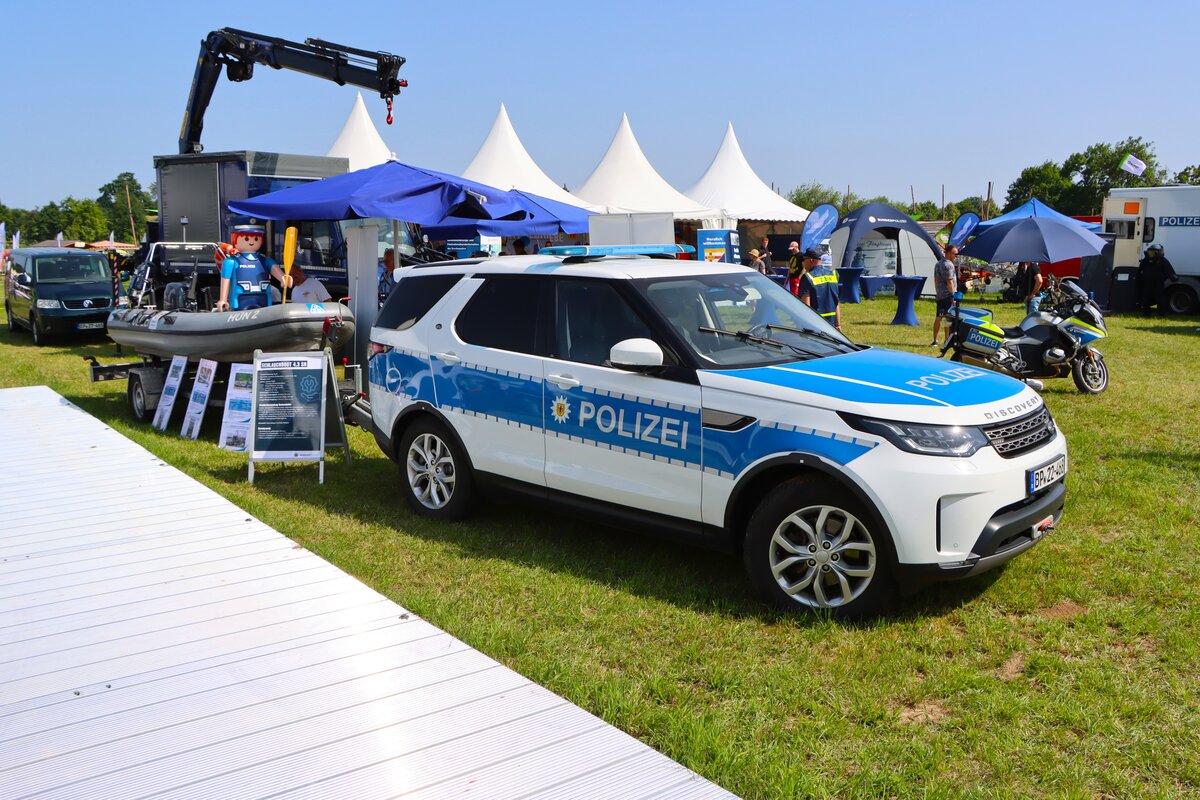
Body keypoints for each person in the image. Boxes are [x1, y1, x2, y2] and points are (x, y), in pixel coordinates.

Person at [216, 224, 290, 311]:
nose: (252, 242)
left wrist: (284, 279)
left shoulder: (265, 260)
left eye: (256, 239)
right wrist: (223, 299)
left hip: (264, 298)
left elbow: (280, 275)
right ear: (234, 239)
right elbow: (225, 280)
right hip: (240, 299)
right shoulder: (231, 262)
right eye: (246, 239)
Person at [801, 250, 842, 329]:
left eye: (804, 260)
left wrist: (806, 326)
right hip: (832, 323)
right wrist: (838, 324)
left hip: (816, 323)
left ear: (811, 260)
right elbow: (836, 301)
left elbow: (806, 305)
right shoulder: (834, 275)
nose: (802, 263)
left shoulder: (807, 277)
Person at [930, 244, 958, 346]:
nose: (956, 256)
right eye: (955, 254)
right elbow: (950, 282)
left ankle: (935, 341)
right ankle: (947, 340)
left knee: (939, 316)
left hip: (940, 295)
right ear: (949, 253)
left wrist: (938, 291)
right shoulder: (949, 265)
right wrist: (953, 296)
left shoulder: (938, 264)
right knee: (949, 318)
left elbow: (936, 280)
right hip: (948, 295)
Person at [1138, 243, 1176, 316]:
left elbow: (1169, 270)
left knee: (1154, 298)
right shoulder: (1149, 260)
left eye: (1152, 252)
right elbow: (1169, 271)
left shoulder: (1157, 260)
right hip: (1153, 283)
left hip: (1154, 283)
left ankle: (1155, 314)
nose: (1151, 254)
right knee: (1150, 298)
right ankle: (1150, 314)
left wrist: (1173, 277)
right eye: (1150, 252)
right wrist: (1174, 278)